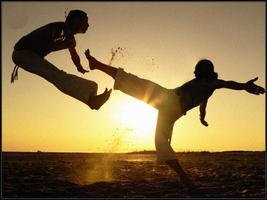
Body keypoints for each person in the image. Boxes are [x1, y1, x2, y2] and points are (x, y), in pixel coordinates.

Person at [84, 49, 265, 188]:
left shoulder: (211, 82)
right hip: (173, 111)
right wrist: (202, 117)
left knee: (135, 82)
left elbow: (228, 84)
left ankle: (97, 65)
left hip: (170, 101)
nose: (194, 73)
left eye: (196, 71)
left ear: (204, 71)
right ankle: (184, 178)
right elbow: (203, 103)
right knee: (161, 142)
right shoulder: (208, 87)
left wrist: (244, 86)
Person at [11, 10, 111, 110]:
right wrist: (60, 39)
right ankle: (92, 100)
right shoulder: (60, 28)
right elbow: (56, 35)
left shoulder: (70, 39)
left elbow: (74, 55)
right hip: (22, 53)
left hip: (28, 55)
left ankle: (92, 95)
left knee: (61, 76)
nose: (88, 25)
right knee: (57, 76)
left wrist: (79, 67)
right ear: (76, 21)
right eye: (85, 21)